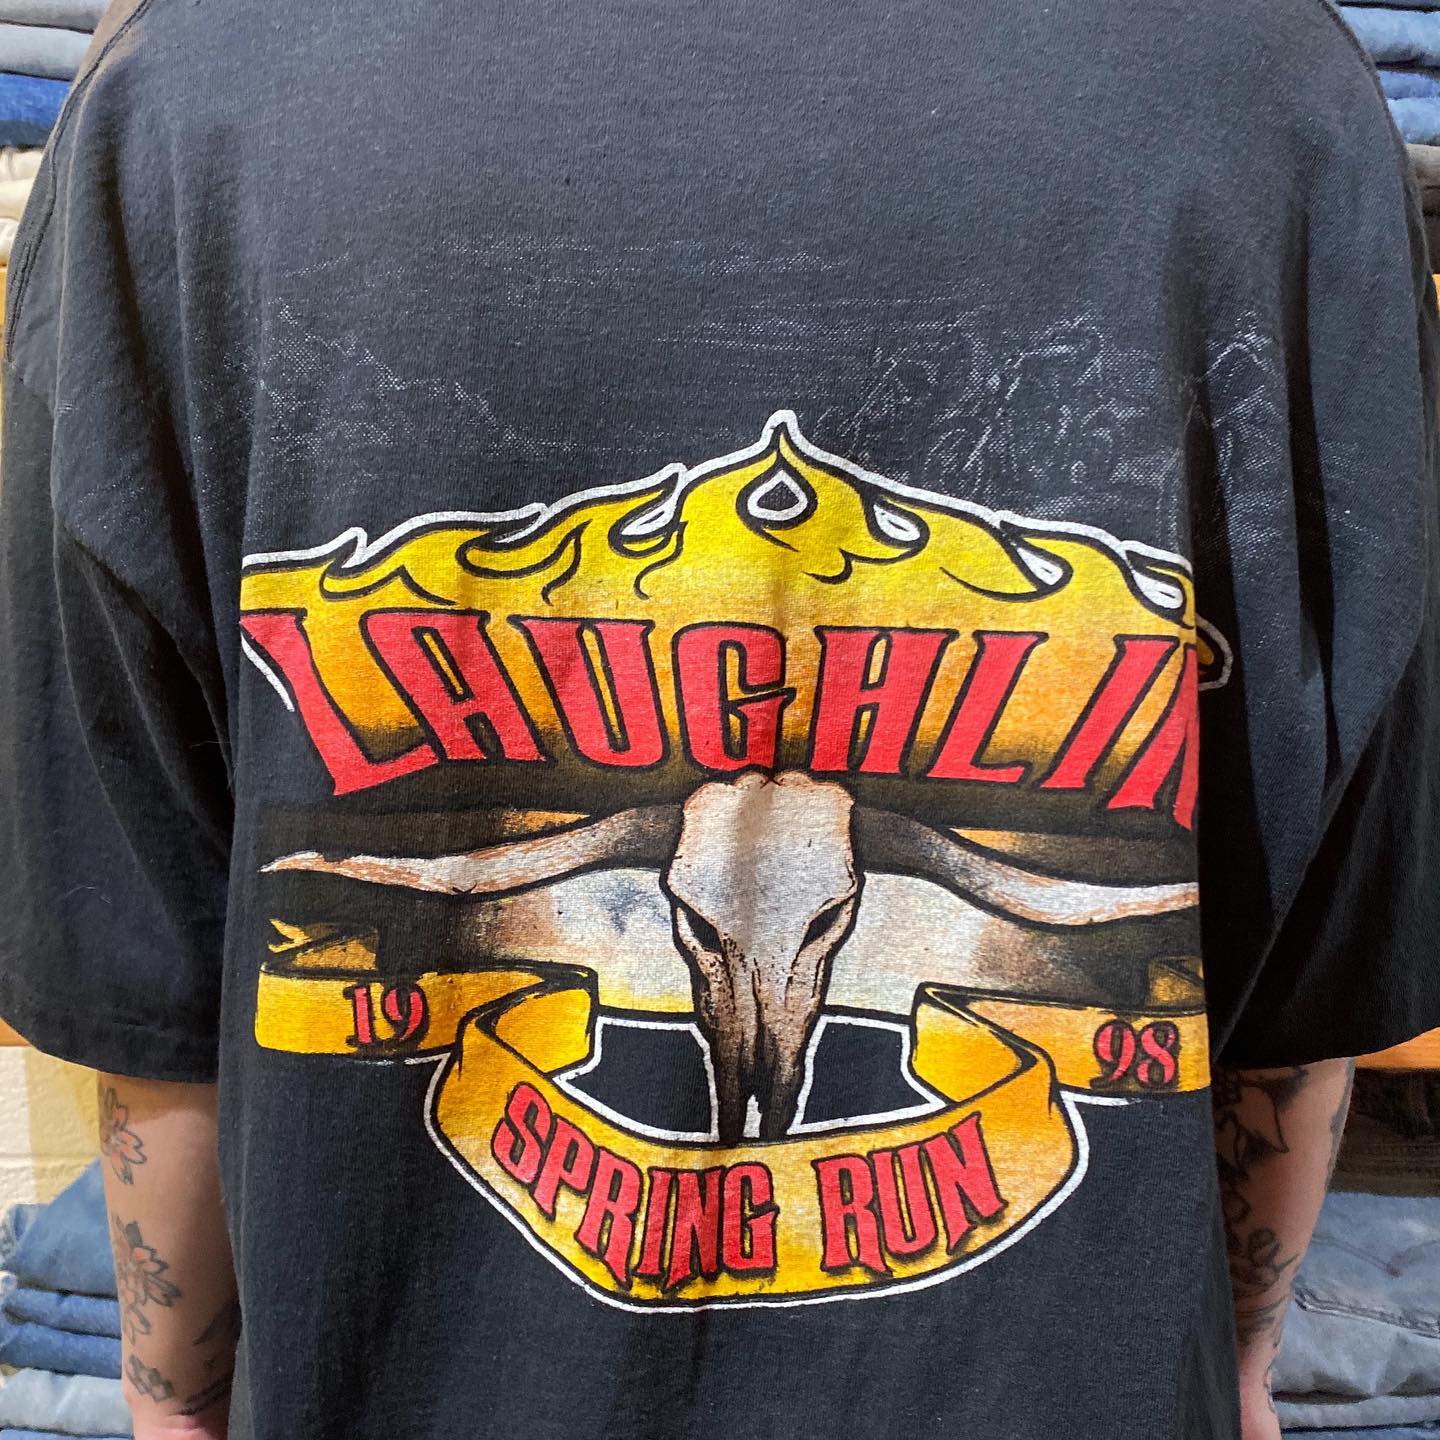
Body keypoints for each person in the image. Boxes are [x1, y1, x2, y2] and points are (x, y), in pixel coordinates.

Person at [1, 0, 1437, 1437]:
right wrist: (1241, 1367)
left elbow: (148, 959)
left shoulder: (185, 92)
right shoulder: (1275, 95)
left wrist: (172, 1404)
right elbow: (1314, 953)